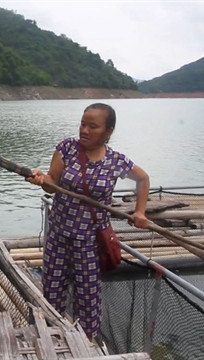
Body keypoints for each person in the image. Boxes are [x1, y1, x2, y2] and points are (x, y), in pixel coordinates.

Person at [25, 103, 149, 340]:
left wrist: (140, 212)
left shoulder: (115, 161)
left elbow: (143, 179)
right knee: (52, 291)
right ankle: (49, 338)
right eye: (83, 124)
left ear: (108, 131)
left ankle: (87, 343)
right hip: (59, 236)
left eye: (93, 126)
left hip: (91, 242)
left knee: (88, 297)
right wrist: (41, 179)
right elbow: (53, 184)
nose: (85, 130)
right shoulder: (67, 148)